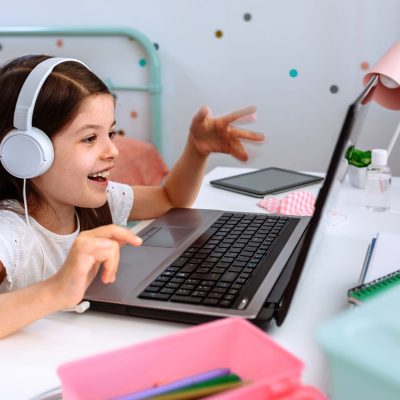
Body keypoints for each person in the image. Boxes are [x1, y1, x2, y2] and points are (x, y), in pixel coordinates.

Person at [0, 55, 264, 338]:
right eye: (90, 138)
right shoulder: (10, 233)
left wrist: (197, 150)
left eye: (111, 133)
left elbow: (170, 198)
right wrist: (56, 289)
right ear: (26, 153)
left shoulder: (98, 202)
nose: (113, 150)